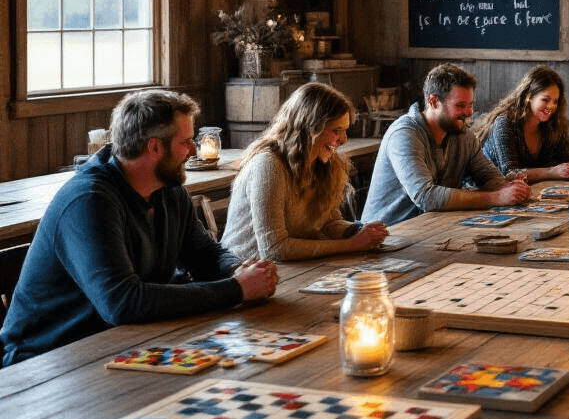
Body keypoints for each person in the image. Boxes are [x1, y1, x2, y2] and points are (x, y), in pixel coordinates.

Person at [0, 89, 276, 366]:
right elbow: (122, 303)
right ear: (154, 147)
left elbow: (205, 255)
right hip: (49, 360)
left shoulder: (168, 188)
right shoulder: (89, 201)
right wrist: (235, 290)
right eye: (187, 141)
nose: (193, 150)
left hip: (125, 342)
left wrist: (237, 270)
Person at [220, 82, 389, 261]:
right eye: (336, 130)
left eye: (345, 130)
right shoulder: (269, 164)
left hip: (289, 268)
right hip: (243, 270)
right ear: (309, 128)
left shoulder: (324, 164)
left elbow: (329, 224)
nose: (344, 140)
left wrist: (361, 230)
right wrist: (352, 245)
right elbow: (275, 248)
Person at [361, 63, 531, 225]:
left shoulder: (463, 134)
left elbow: (488, 177)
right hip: (387, 237)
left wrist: (512, 191)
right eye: (461, 105)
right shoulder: (405, 133)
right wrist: (496, 198)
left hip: (432, 229)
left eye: (470, 105)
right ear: (434, 102)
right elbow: (426, 197)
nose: (469, 112)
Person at [475, 66, 569, 183]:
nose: (551, 106)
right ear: (529, 97)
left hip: (526, 193)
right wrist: (552, 172)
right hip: (486, 193)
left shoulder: (551, 125)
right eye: (545, 100)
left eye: (555, 101)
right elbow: (511, 174)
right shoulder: (505, 123)